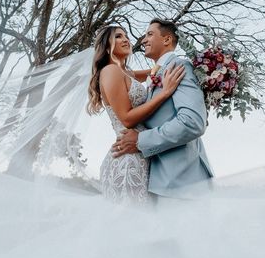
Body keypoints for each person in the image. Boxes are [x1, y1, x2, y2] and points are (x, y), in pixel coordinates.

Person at [112, 18, 213, 198]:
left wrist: (140, 140)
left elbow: (192, 122)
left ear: (167, 40)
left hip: (183, 181)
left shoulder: (179, 67)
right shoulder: (156, 73)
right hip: (160, 181)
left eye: (149, 34)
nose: (143, 40)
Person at [87, 24, 185, 203]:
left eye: (126, 36)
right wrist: (164, 93)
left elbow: (159, 70)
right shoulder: (110, 71)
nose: (125, 39)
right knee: (132, 221)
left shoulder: (126, 72)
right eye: (118, 36)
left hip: (141, 150)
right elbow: (126, 118)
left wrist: (204, 66)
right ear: (106, 45)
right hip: (127, 159)